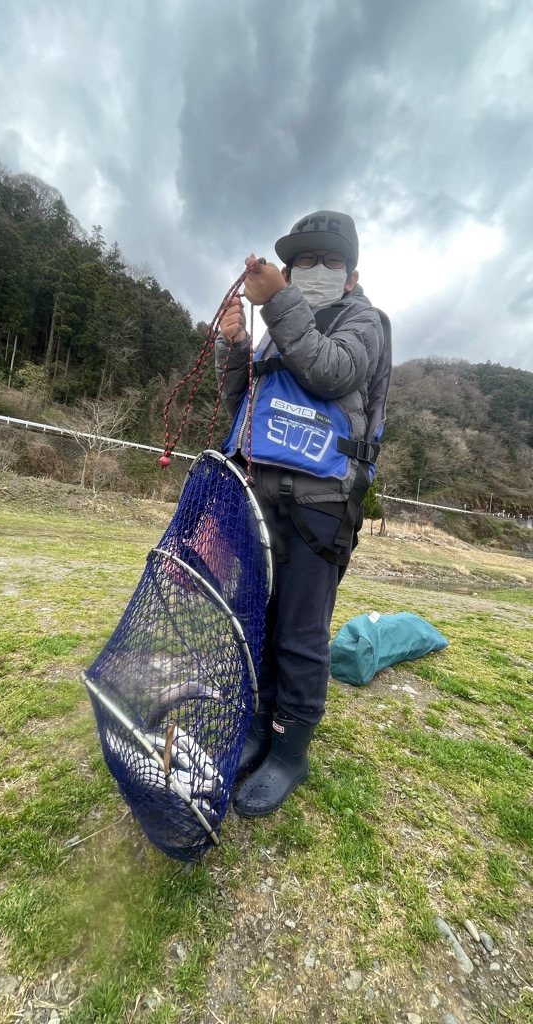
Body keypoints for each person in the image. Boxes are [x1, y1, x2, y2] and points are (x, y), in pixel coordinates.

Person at [215, 210, 391, 818]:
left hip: (321, 507)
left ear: (352, 274)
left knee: (301, 631)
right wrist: (235, 346)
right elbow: (241, 399)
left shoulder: (364, 322)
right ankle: (260, 725)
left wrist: (281, 299)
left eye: (328, 261)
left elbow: (331, 371)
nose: (313, 271)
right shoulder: (276, 327)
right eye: (302, 261)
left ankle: (292, 748)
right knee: (258, 618)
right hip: (258, 495)